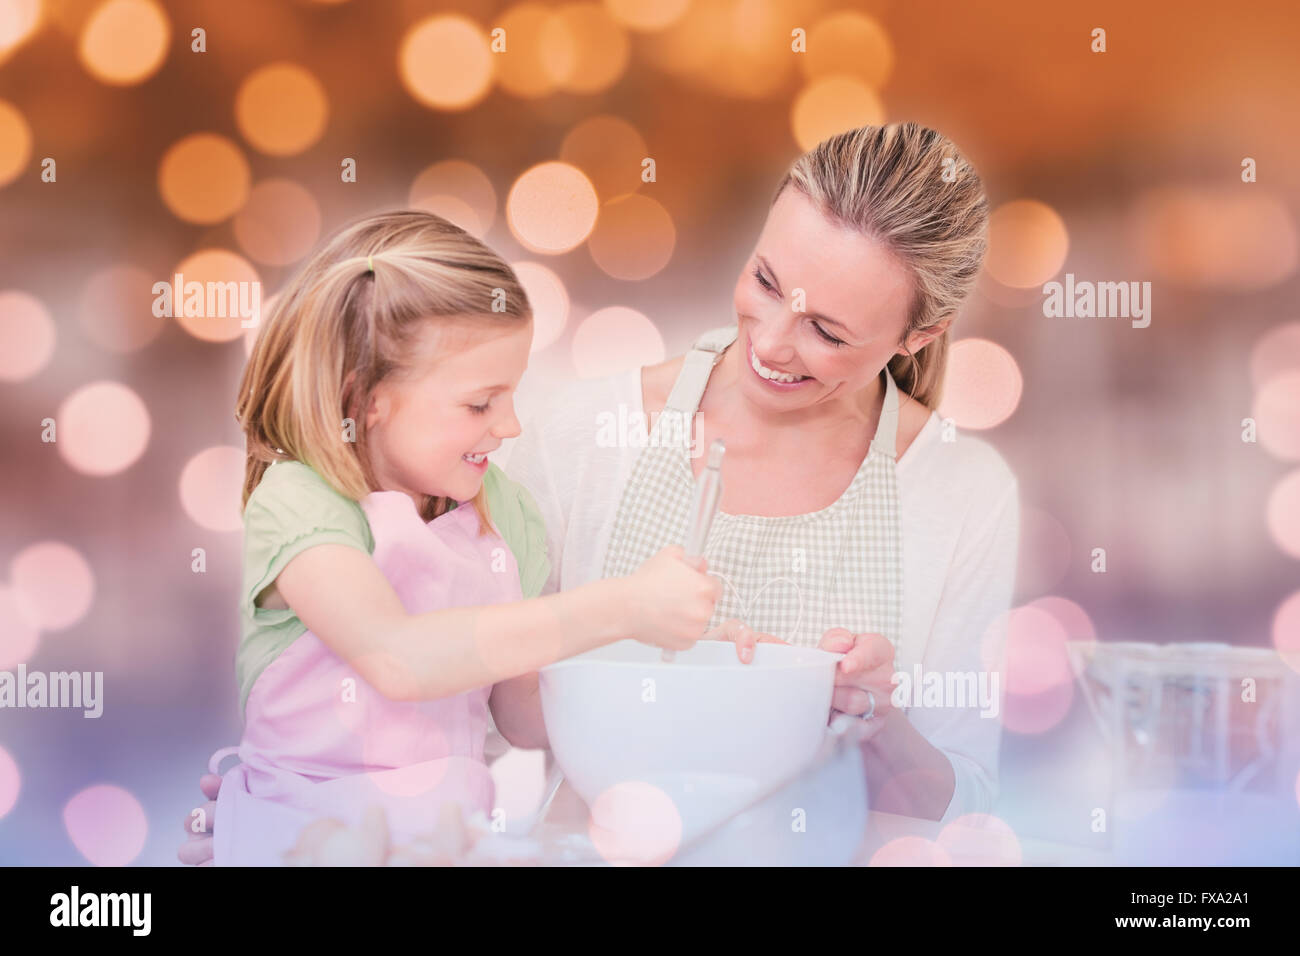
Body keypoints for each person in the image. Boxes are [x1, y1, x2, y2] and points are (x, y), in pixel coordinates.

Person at [502, 122, 1019, 823]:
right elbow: (494, 718)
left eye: (828, 333)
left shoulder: (964, 491)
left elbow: (971, 801)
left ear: (916, 336)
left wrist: (876, 725)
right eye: (766, 282)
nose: (771, 342)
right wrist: (610, 635)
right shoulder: (583, 433)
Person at [184, 210, 719, 865]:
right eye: (480, 403)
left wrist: (698, 682)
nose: (512, 424)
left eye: (513, 394)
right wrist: (623, 605)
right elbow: (399, 659)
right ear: (367, 399)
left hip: (440, 843)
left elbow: (523, 717)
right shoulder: (301, 500)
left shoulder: (505, 515)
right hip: (293, 841)